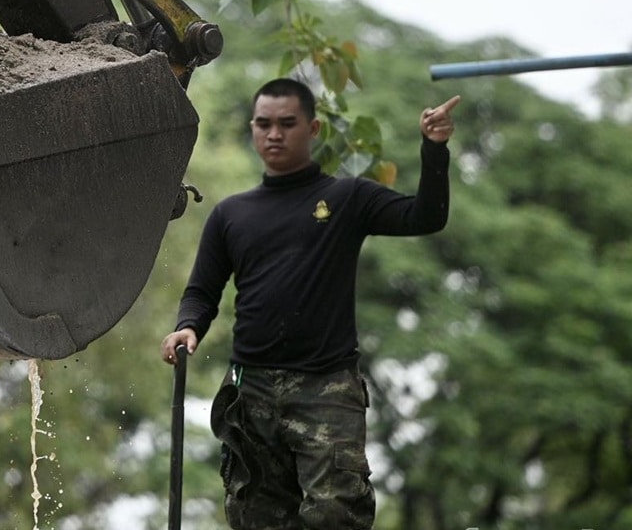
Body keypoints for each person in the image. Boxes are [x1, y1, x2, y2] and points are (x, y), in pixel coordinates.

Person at [160, 78, 460, 530]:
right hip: (251, 389)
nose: (274, 134)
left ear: (313, 128)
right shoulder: (231, 214)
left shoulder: (348, 198)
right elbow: (203, 291)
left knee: (335, 515)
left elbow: (425, 216)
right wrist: (188, 326)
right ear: (253, 128)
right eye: (264, 124)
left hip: (326, 387)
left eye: (287, 124)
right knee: (255, 517)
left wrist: (434, 149)